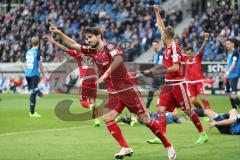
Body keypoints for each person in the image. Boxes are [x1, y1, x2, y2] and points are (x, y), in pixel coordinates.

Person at [49, 23, 176, 160]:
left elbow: (118, 59)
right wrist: (59, 33)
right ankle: (125, 148)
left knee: (146, 120)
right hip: (114, 93)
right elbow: (74, 45)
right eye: (86, 38)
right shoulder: (92, 51)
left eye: (90, 37)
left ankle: (168, 146)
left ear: (98, 36)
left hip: (127, 90)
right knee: (107, 118)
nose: (88, 40)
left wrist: (106, 73)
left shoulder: (110, 47)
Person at [143, 5, 208, 147]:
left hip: (178, 85)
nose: (160, 35)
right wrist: (157, 12)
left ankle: (202, 133)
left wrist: (158, 71)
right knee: (160, 109)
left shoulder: (175, 48)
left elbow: (175, 68)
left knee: (187, 110)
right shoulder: (167, 45)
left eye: (162, 35)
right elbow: (161, 26)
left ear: (166, 37)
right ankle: (162, 135)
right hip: (168, 84)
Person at [45, 35, 100, 127]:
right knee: (92, 100)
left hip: (85, 78)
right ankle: (96, 121)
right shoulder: (92, 52)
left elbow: (65, 49)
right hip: (94, 77)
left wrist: (54, 42)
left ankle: (91, 107)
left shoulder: (77, 53)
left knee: (83, 101)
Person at [182, 33, 211, 110]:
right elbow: (177, 53)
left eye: (190, 53)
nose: (188, 55)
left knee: (202, 98)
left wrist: (205, 39)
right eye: (187, 54)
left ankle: (208, 111)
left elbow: (202, 47)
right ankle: (202, 112)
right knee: (193, 100)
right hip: (189, 83)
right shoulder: (185, 58)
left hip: (198, 81)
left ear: (193, 52)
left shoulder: (197, 57)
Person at [25, 37, 45, 117]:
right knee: (34, 93)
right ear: (38, 43)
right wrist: (43, 75)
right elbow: (40, 65)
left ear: (31, 43)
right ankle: (32, 113)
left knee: (33, 92)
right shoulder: (37, 52)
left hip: (28, 74)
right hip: (34, 74)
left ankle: (39, 93)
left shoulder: (28, 52)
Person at [146, 39, 165, 109]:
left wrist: (151, 70)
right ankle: (146, 108)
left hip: (160, 76)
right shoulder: (156, 54)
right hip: (156, 76)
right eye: (153, 45)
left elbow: (160, 65)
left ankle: (168, 107)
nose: (154, 47)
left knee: (164, 92)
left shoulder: (160, 54)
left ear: (158, 45)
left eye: (156, 45)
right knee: (151, 91)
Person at [223, 38, 240, 109]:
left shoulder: (235, 52)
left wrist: (227, 72)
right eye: (226, 44)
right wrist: (224, 71)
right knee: (230, 95)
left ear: (233, 44)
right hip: (229, 76)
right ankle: (234, 110)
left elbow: (234, 64)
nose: (226, 45)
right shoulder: (229, 53)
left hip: (234, 76)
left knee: (233, 95)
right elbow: (229, 64)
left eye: (228, 44)